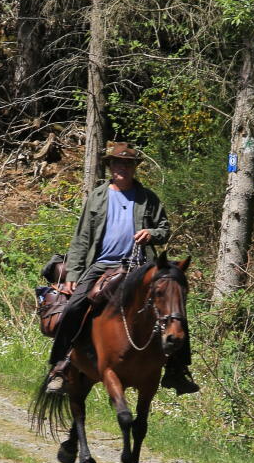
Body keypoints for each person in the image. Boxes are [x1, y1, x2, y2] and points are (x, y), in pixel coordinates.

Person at [44, 141, 199, 395]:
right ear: (110, 166)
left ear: (134, 168)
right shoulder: (98, 197)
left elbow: (164, 229)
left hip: (139, 266)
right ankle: (59, 368)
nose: (122, 168)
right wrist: (73, 272)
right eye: (117, 163)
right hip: (102, 264)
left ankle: (177, 370)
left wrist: (151, 233)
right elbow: (82, 236)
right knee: (74, 307)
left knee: (174, 308)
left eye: (127, 164)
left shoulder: (148, 198)